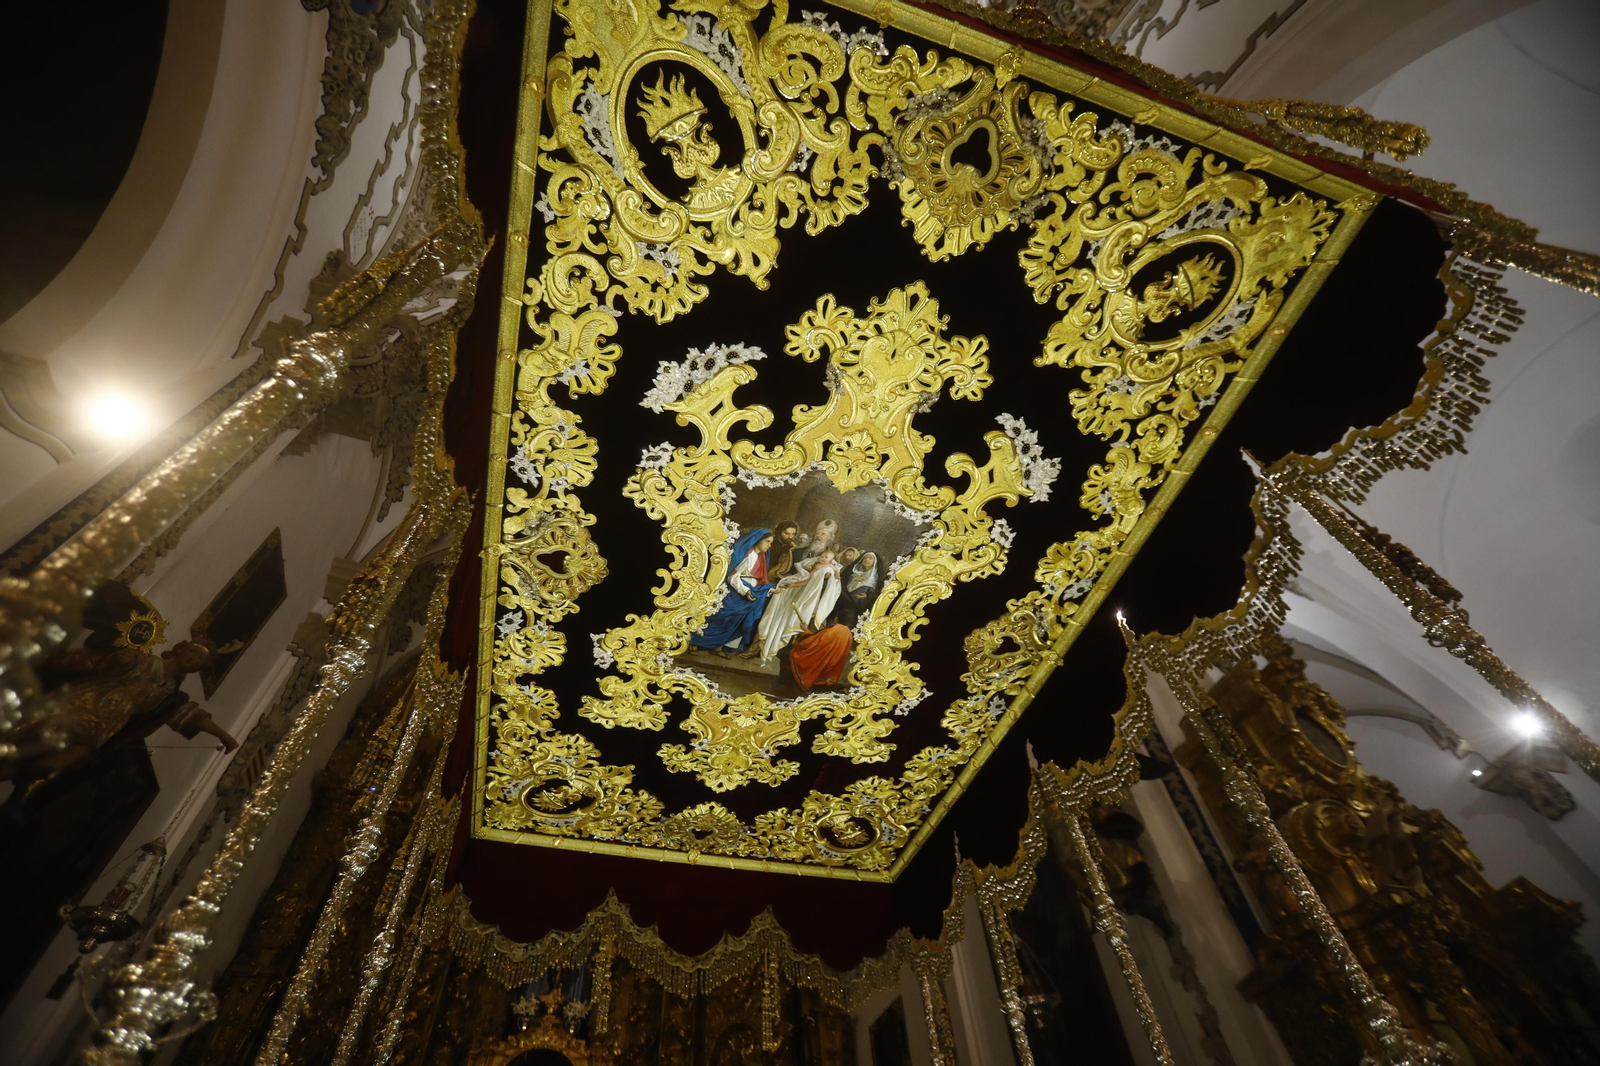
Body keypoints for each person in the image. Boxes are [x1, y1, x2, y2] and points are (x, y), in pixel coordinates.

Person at [746, 548, 843, 663]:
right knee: (776, 617)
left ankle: (770, 649)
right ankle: (761, 647)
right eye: (822, 556)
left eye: (826, 557)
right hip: (796, 592)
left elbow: (809, 582)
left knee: (784, 620)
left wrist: (793, 584)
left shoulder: (828, 569)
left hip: (801, 594)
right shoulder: (817, 564)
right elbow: (807, 575)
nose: (823, 558)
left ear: (831, 560)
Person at [688, 528, 775, 657]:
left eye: (770, 543)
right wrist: (745, 591)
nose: (769, 545)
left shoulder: (761, 556)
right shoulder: (747, 555)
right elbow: (732, 577)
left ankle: (717, 647)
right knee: (719, 619)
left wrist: (768, 590)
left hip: (750, 595)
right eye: (767, 541)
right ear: (757, 540)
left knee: (733, 623)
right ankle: (694, 642)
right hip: (736, 594)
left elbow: (760, 580)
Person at [790, 623, 854, 691]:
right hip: (831, 671)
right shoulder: (848, 633)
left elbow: (808, 643)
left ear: (836, 619)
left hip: (822, 666)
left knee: (789, 653)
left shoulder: (833, 630)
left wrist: (806, 631)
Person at [832, 551, 879, 629]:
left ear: (874, 562)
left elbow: (875, 592)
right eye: (865, 558)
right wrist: (853, 578)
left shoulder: (875, 577)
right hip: (844, 598)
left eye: (870, 558)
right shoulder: (853, 571)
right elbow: (842, 581)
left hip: (858, 603)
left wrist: (867, 596)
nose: (867, 560)